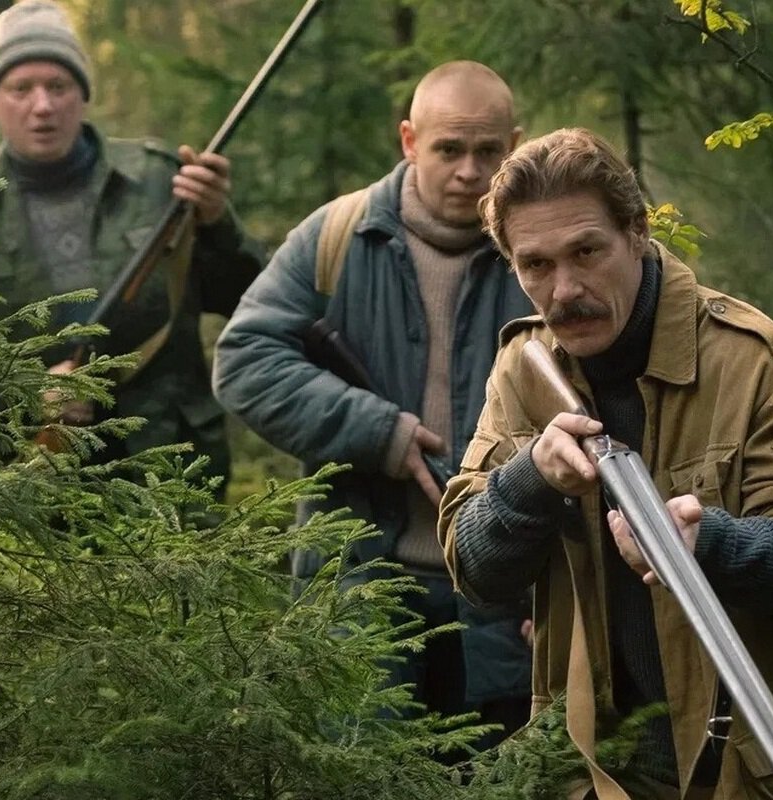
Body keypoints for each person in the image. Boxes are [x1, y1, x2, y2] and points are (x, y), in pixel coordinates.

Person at [439, 128, 773, 799]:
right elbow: (473, 568)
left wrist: (709, 542)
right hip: (609, 768)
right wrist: (531, 478)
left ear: (637, 232)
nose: (565, 290)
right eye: (535, 265)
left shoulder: (756, 363)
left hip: (768, 761)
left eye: (587, 252)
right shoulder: (524, 368)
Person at [212, 62, 534, 747]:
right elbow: (243, 361)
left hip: (505, 604)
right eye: (449, 149)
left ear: (516, 145)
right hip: (357, 588)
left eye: (489, 152)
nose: (470, 172)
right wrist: (379, 432)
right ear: (409, 141)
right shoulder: (337, 237)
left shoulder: (541, 253)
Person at [0, 0, 262, 488]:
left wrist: (216, 220)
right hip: (26, 482)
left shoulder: (161, 181)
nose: (42, 106)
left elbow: (246, 296)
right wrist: (26, 393)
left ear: (83, 94)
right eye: (20, 89)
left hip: (168, 468)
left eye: (59, 86)